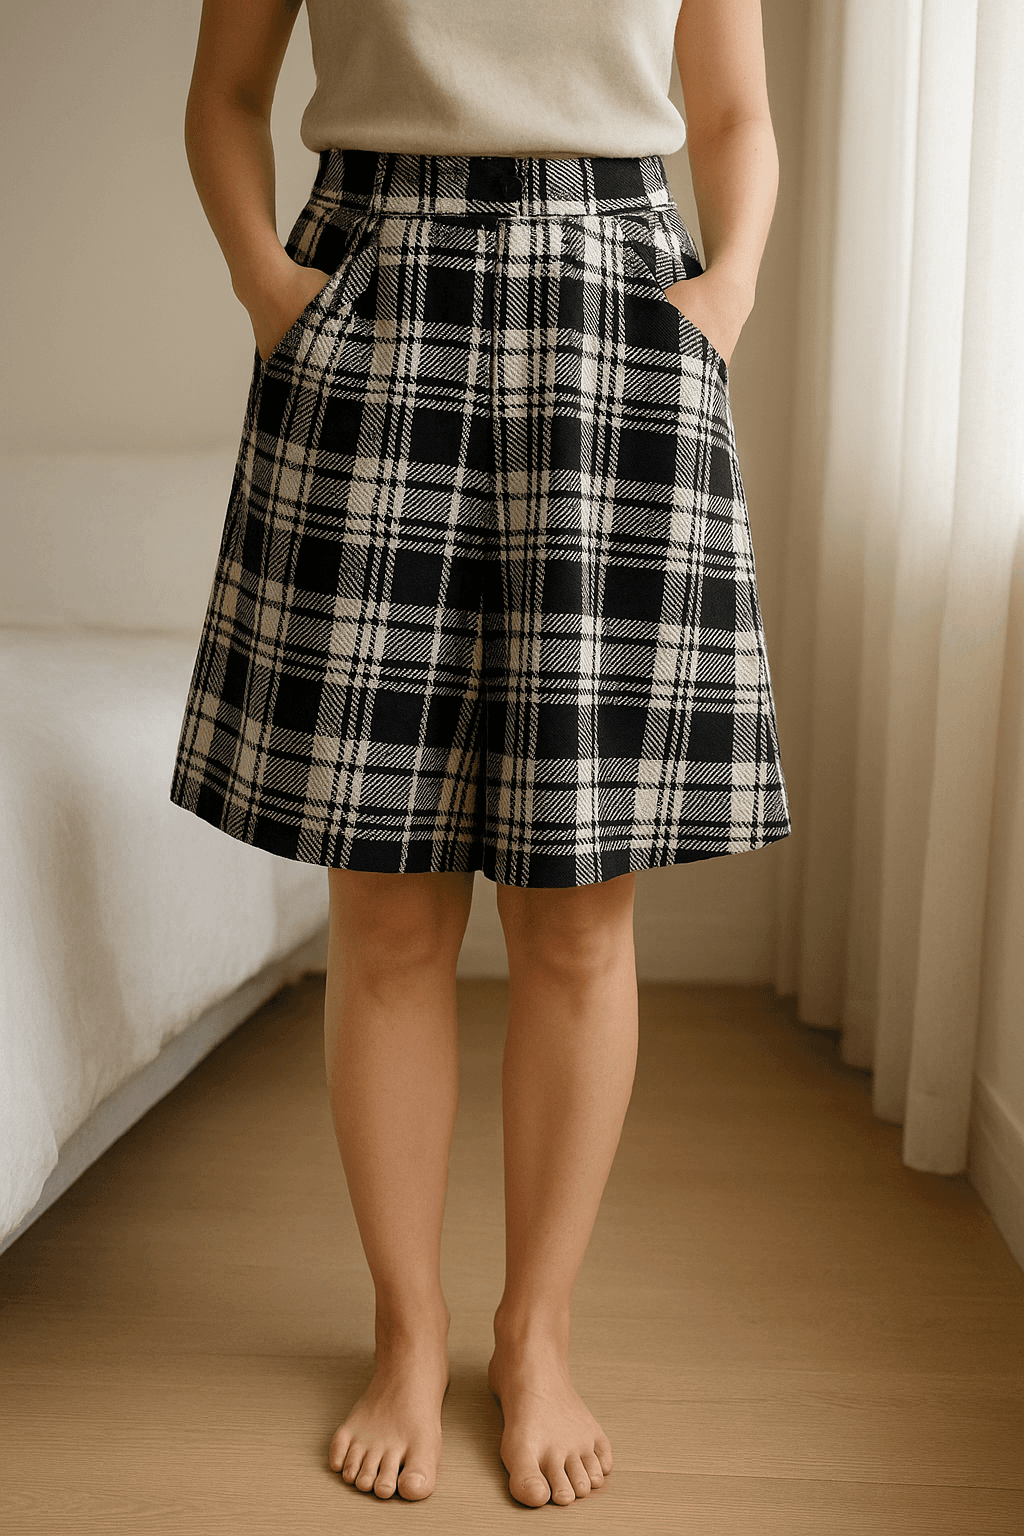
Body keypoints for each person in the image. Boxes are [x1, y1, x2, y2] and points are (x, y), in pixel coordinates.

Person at [171, 0, 790, 1508]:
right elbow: (224, 97)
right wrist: (272, 289)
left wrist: (722, 305)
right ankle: (407, 1327)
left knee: (579, 916)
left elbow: (734, 117)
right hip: (375, 302)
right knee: (383, 902)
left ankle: (537, 1332)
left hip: (618, 317)